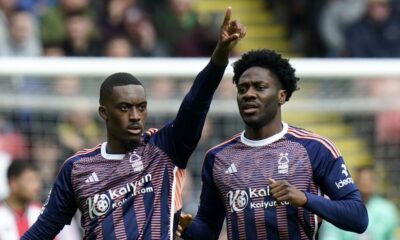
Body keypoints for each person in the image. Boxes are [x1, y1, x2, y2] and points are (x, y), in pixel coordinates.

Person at [22, 6, 246, 240]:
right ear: (104, 112)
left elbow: (196, 102)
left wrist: (219, 55)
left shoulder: (164, 148)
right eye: (124, 108)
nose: (136, 115)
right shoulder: (77, 168)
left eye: (141, 107)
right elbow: (44, 229)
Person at [176, 49, 369, 239]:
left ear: (281, 96)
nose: (248, 94)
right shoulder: (217, 157)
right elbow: (208, 228)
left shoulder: (315, 148)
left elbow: (358, 217)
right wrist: (186, 229)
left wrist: (304, 198)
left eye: (259, 87)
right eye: (242, 89)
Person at [0, 160, 81, 240]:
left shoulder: (43, 212)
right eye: (30, 180)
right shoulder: (2, 214)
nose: (37, 186)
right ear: (13, 183)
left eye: (38, 180)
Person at [320, 165, 399, 240]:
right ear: (353, 181)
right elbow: (330, 235)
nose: (365, 183)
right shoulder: (338, 207)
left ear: (375, 183)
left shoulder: (387, 209)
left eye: (369, 179)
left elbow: (391, 236)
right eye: (362, 179)